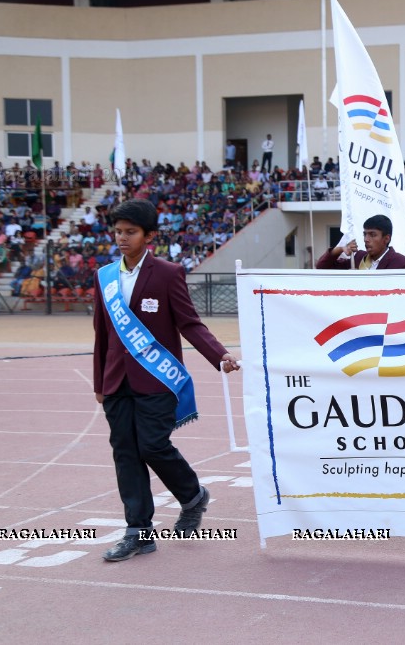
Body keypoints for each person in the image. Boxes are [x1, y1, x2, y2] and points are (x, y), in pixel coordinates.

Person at [92, 199, 240, 561]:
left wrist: (218, 354)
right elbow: (102, 334)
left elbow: (189, 322)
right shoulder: (105, 276)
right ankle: (139, 533)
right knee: (126, 453)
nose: (122, 239)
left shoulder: (167, 272)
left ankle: (192, 495)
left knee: (152, 446)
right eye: (118, 232)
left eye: (130, 232)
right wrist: (99, 383)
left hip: (157, 378)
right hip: (116, 381)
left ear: (149, 236)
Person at [315, 215, 405, 270]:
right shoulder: (357, 257)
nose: (366, 239)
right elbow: (321, 267)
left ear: (386, 238)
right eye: (365, 234)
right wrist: (340, 249)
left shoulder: (402, 263)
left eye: (372, 235)